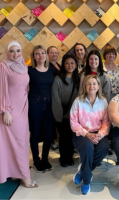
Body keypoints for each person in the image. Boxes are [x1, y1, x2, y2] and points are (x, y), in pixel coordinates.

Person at [0, 40, 38, 187]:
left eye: (18, 51)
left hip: (23, 109)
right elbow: (0, 90)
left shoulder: (23, 67)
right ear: (7, 52)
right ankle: (25, 176)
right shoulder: (2, 66)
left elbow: (25, 89)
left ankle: (15, 172)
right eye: (12, 51)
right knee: (17, 142)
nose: (15, 54)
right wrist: (5, 111)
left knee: (23, 141)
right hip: (10, 111)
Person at [70, 75, 111, 195]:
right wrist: (87, 134)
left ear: (98, 86)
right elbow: (73, 122)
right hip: (81, 134)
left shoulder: (103, 101)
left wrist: (100, 135)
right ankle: (86, 181)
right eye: (89, 84)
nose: (91, 86)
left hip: (98, 133)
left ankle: (82, 172)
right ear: (85, 86)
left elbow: (106, 122)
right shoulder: (78, 101)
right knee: (88, 148)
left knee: (104, 149)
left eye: (94, 83)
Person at [28, 45, 56, 173]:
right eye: (37, 53)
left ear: (46, 55)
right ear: (34, 56)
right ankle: (36, 160)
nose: (40, 55)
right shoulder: (29, 71)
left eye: (43, 53)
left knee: (49, 133)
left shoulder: (52, 70)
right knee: (35, 132)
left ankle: (45, 158)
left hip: (49, 105)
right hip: (35, 104)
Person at [52, 54, 80, 167]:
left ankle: (70, 157)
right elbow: (56, 98)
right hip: (61, 114)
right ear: (63, 65)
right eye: (67, 63)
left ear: (76, 64)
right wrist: (59, 117)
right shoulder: (58, 79)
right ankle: (63, 158)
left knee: (71, 137)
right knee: (63, 137)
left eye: (72, 63)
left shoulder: (78, 79)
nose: (70, 65)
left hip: (74, 114)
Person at [47, 46, 60, 151]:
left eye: (56, 53)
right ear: (47, 54)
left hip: (59, 97)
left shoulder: (59, 65)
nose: (54, 54)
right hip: (50, 97)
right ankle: (51, 141)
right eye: (52, 53)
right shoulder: (46, 66)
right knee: (50, 121)